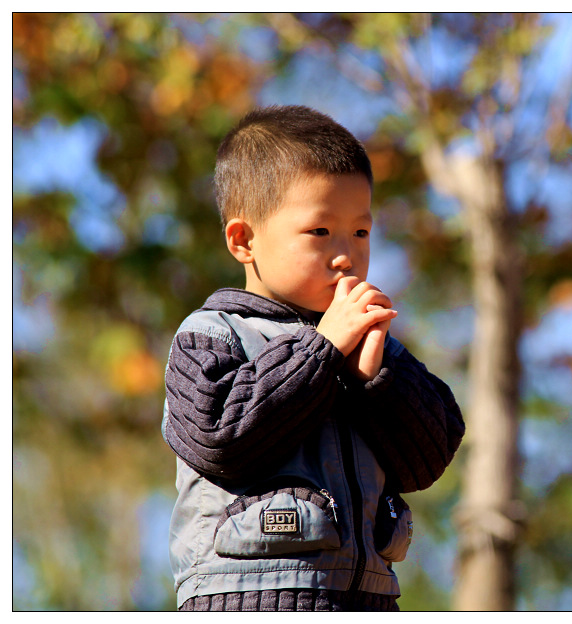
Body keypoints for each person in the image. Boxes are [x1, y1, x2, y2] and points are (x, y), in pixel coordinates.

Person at [162, 105, 465, 612]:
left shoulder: (369, 345)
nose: (346, 254)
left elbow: (429, 458)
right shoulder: (211, 335)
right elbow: (222, 439)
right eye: (320, 233)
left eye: (361, 232)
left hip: (369, 599)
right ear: (244, 240)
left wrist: (376, 381)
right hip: (248, 599)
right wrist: (321, 352)